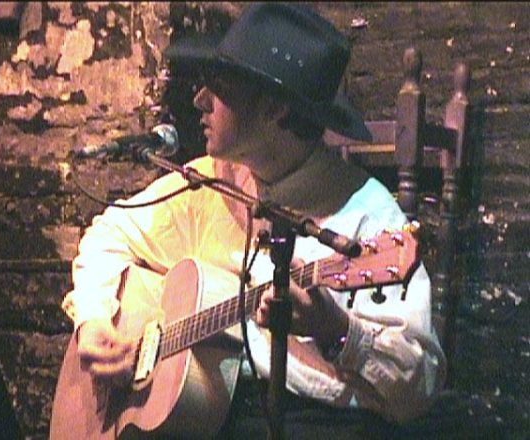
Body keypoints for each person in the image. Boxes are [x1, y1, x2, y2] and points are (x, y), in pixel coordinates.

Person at [50, 3, 446, 439]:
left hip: (311, 421)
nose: (199, 99)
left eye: (219, 86)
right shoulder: (205, 182)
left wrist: (336, 329)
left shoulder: (367, 217)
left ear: (275, 107)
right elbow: (109, 234)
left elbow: (419, 386)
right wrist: (94, 321)